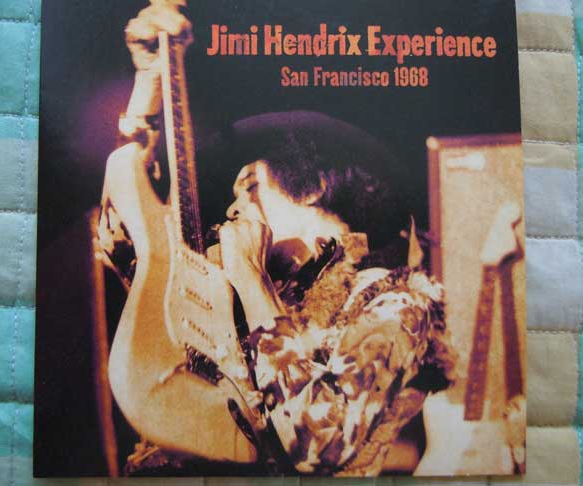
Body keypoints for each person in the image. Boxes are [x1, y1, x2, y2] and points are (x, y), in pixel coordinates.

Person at [97, 1, 456, 476]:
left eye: (249, 187)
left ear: (309, 189)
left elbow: (320, 442)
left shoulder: (397, 304)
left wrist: (252, 282)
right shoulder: (226, 302)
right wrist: (150, 82)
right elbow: (122, 232)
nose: (232, 210)